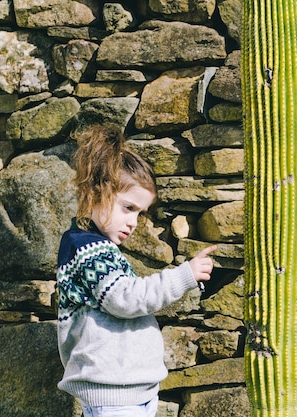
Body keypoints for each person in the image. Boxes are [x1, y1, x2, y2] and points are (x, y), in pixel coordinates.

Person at [56, 124, 216, 417]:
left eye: (139, 213)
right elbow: (126, 299)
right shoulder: (88, 249)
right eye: (128, 208)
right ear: (96, 190)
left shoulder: (95, 247)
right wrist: (185, 275)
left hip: (129, 390)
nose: (133, 222)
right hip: (114, 393)